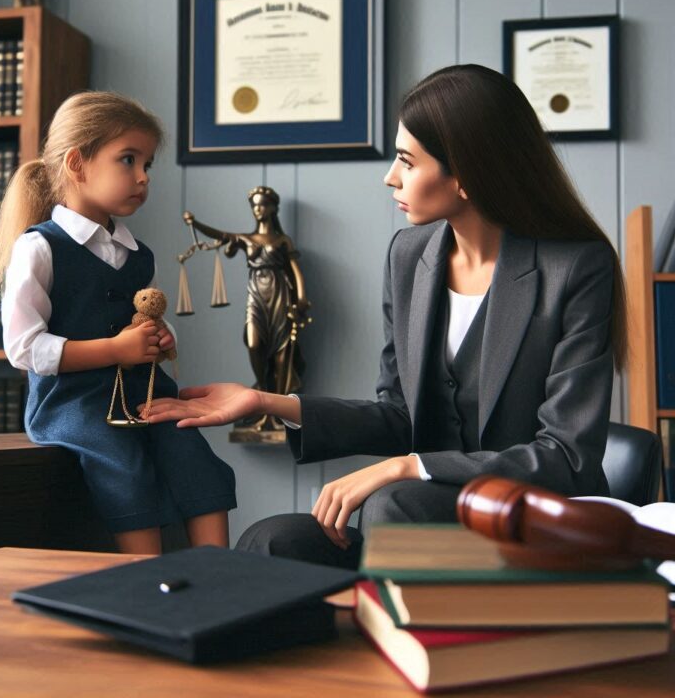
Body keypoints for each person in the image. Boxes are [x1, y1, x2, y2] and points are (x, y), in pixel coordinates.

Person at [139, 64, 627, 568]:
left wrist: (410, 467)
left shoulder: (575, 267)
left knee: (392, 505)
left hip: (536, 520)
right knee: (272, 540)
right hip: (424, 523)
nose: (389, 176)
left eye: (407, 162)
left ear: (464, 174)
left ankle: (398, 634)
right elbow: (398, 413)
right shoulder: (409, 256)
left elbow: (566, 457)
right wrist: (265, 400)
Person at [0, 90, 236, 554]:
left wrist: (161, 340)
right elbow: (24, 349)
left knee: (192, 454)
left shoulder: (137, 254)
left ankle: (218, 577)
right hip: (74, 405)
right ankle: (141, 581)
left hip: (145, 395)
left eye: (148, 165)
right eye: (129, 160)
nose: (143, 177)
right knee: (122, 466)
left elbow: (148, 324)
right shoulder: (40, 248)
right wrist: (115, 351)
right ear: (78, 164)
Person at [182, 187, 310, 431]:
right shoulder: (246, 239)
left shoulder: (282, 241)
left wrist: (301, 300)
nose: (258, 209)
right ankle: (263, 394)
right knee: (254, 343)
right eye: (254, 205)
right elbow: (219, 234)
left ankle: (275, 412)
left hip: (279, 295)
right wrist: (195, 223)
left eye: (262, 204)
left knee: (283, 351)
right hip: (256, 297)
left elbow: (295, 271)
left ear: (273, 208)